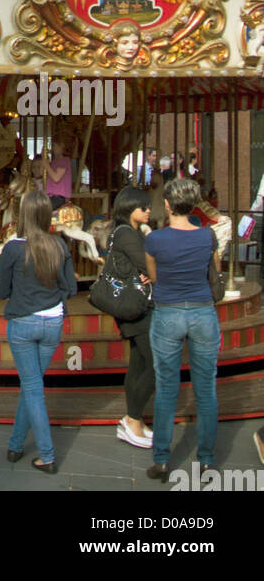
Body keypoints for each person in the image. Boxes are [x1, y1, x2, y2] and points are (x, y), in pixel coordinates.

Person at [144, 176, 221, 482]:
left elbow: (155, 276)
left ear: (167, 204)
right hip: (203, 312)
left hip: (168, 313)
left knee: (166, 389)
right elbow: (210, 270)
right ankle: (206, 459)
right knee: (206, 390)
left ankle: (162, 459)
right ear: (193, 205)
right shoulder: (207, 237)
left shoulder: (154, 240)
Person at [0, 190, 78, 473]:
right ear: (47, 215)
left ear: (23, 215)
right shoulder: (59, 245)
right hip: (53, 322)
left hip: (22, 323)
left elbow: (0, 291)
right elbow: (72, 287)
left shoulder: (12, 248)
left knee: (33, 388)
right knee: (31, 387)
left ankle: (48, 455)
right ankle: (15, 445)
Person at [108, 186, 155, 449]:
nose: (148, 211)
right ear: (129, 209)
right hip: (135, 305)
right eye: (143, 207)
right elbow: (149, 264)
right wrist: (152, 269)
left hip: (133, 305)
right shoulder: (126, 234)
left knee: (138, 362)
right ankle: (132, 419)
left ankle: (133, 420)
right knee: (156, 364)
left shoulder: (127, 233)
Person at [43, 138, 72, 211]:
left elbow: (56, 178)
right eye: (52, 146)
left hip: (59, 197)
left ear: (62, 146)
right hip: (50, 195)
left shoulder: (64, 161)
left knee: (43, 211)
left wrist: (46, 165)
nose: (53, 148)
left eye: (54, 146)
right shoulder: (54, 162)